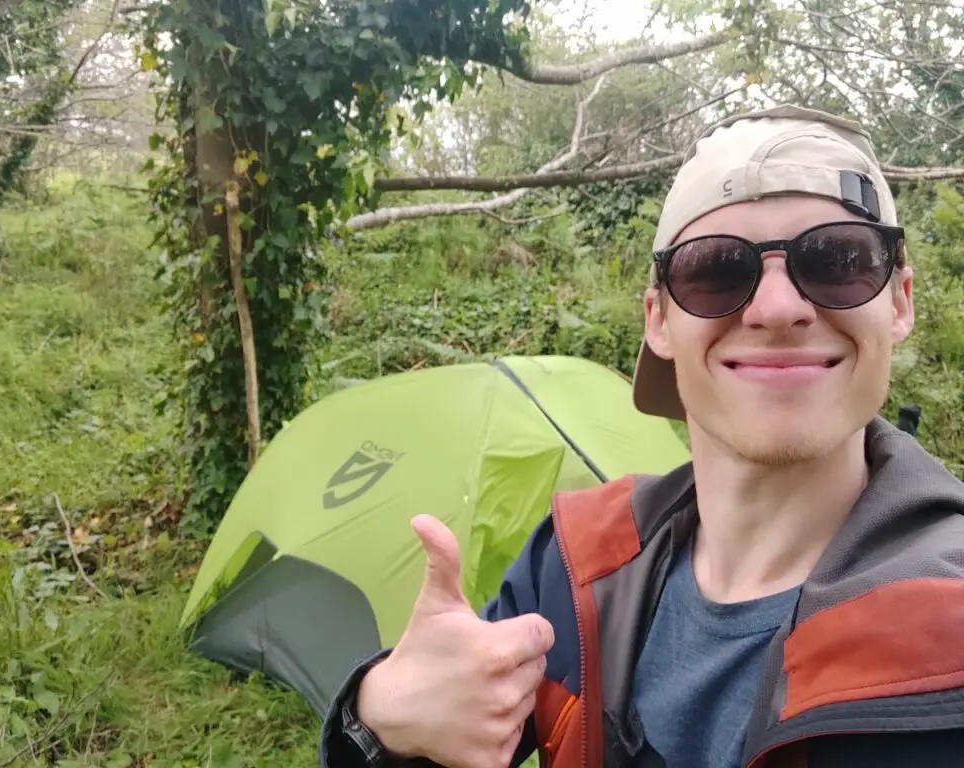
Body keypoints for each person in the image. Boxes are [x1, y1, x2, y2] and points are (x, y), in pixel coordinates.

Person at [317, 104, 964, 768]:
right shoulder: (574, 566)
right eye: (715, 270)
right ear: (657, 320)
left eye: (837, 261)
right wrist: (380, 723)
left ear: (899, 301)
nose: (777, 310)